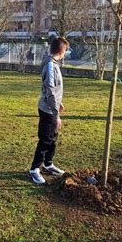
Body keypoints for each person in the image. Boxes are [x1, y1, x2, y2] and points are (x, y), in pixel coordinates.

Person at [29, 37, 69, 184]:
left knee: (53, 137)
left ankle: (48, 164)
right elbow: (50, 90)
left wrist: (59, 103)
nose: (65, 53)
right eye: (65, 51)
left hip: (52, 107)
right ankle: (34, 169)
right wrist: (56, 113)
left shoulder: (52, 63)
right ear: (61, 50)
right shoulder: (51, 65)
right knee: (46, 139)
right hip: (48, 110)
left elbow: (52, 89)